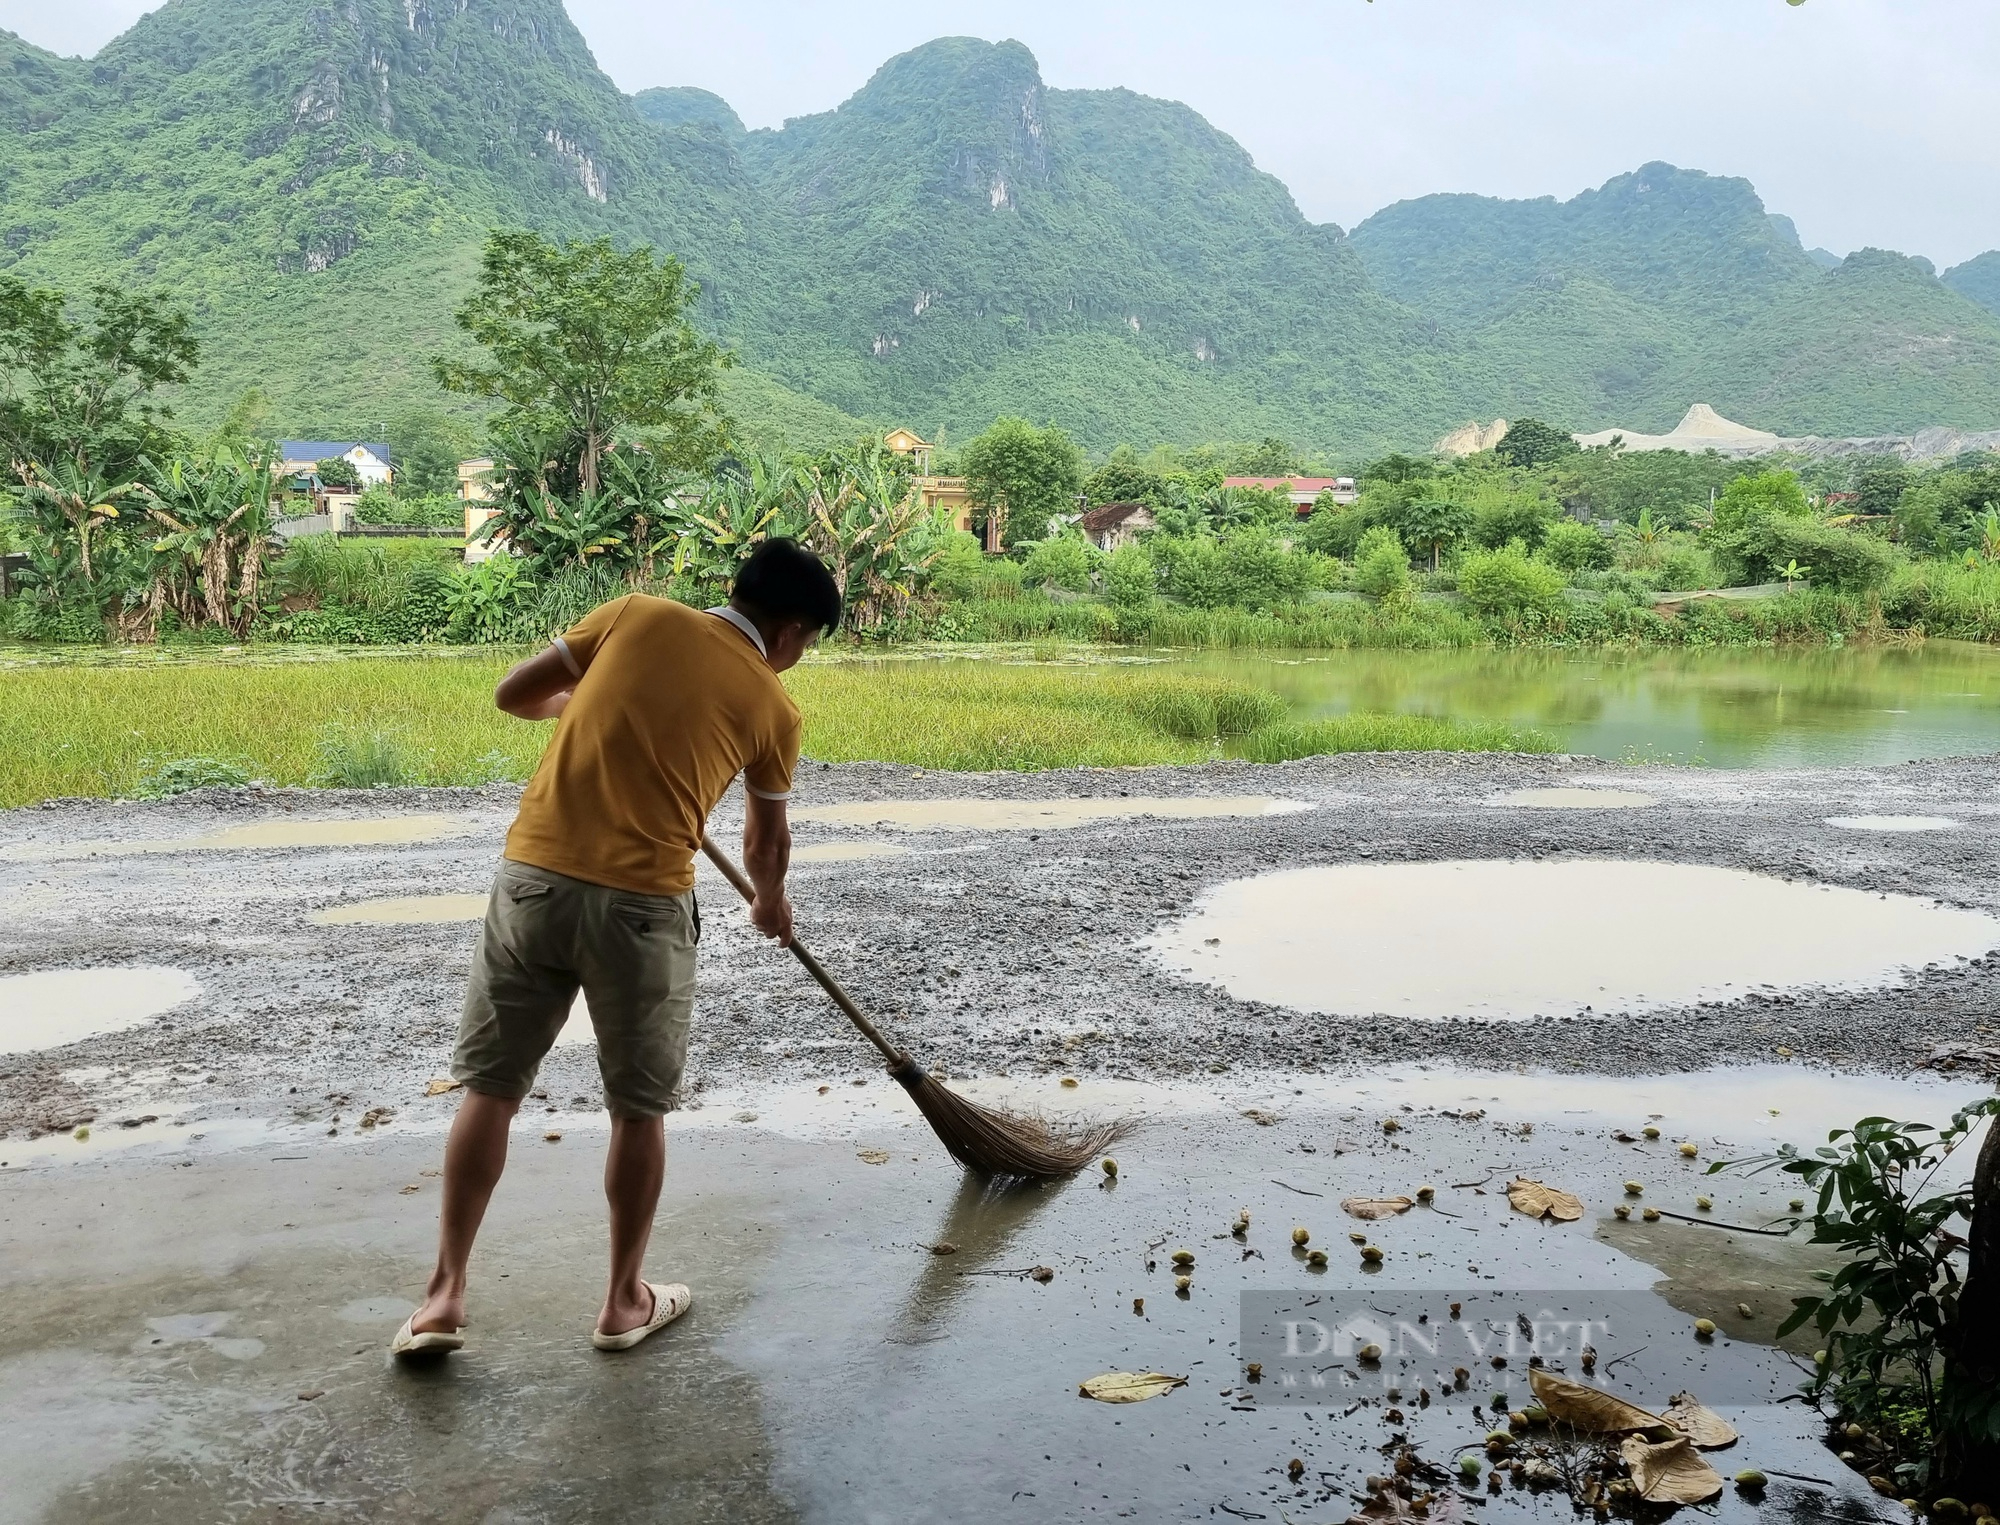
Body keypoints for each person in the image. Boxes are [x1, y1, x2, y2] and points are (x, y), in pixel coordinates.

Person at [391, 539, 842, 1358]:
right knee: (639, 1108)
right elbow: (764, 840)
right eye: (807, 644)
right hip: (642, 908)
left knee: (489, 1089)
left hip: (533, 883)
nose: (799, 660)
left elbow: (514, 694)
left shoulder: (633, 614)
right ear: (789, 629)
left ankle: (443, 1295)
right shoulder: (773, 707)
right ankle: (622, 1301)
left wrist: (581, 708)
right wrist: (771, 904)